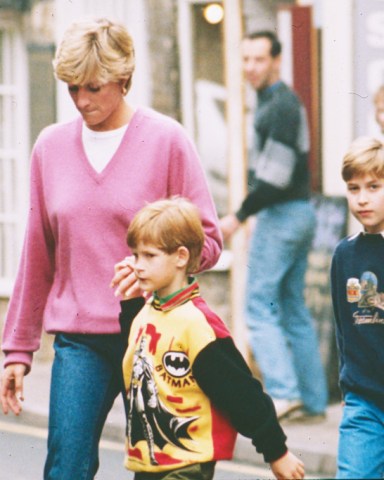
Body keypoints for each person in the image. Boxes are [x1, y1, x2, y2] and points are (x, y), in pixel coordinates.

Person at [0, 18, 222, 480]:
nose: (82, 101)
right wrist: (17, 350)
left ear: (124, 79)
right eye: (72, 88)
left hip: (159, 336)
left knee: (167, 474)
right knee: (65, 469)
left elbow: (208, 241)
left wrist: (152, 270)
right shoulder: (50, 148)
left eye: (94, 88)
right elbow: (37, 254)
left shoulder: (166, 140)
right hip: (80, 342)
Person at [119, 196, 305, 480]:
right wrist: (131, 305)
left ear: (181, 257)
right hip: (149, 463)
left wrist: (276, 452)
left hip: (187, 463)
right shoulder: (145, 314)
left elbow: (241, 392)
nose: (138, 265)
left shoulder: (197, 325)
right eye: (135, 255)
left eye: (149, 255)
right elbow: (135, 376)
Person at [219, 30, 328, 421]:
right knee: (291, 307)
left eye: (259, 59)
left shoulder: (279, 105)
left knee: (258, 306)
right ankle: (313, 402)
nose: (250, 68)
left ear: (277, 61)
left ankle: (283, 393)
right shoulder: (274, 102)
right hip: (298, 212)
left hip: (283, 213)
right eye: (245, 59)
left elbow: (275, 176)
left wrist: (238, 216)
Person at [331, 136, 384, 479]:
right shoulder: (345, 255)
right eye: (353, 188)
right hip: (364, 405)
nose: (362, 198)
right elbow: (343, 331)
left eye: (374, 186)